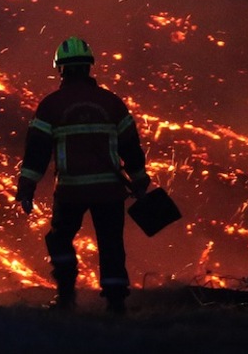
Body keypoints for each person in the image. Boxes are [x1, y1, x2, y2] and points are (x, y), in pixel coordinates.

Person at [15, 36, 151, 314]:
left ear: (60, 69)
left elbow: (37, 152)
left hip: (71, 190)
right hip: (110, 190)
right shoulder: (112, 103)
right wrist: (139, 180)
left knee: (59, 239)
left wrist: (26, 186)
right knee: (111, 243)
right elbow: (131, 146)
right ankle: (116, 302)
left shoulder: (52, 106)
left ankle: (66, 297)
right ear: (89, 67)